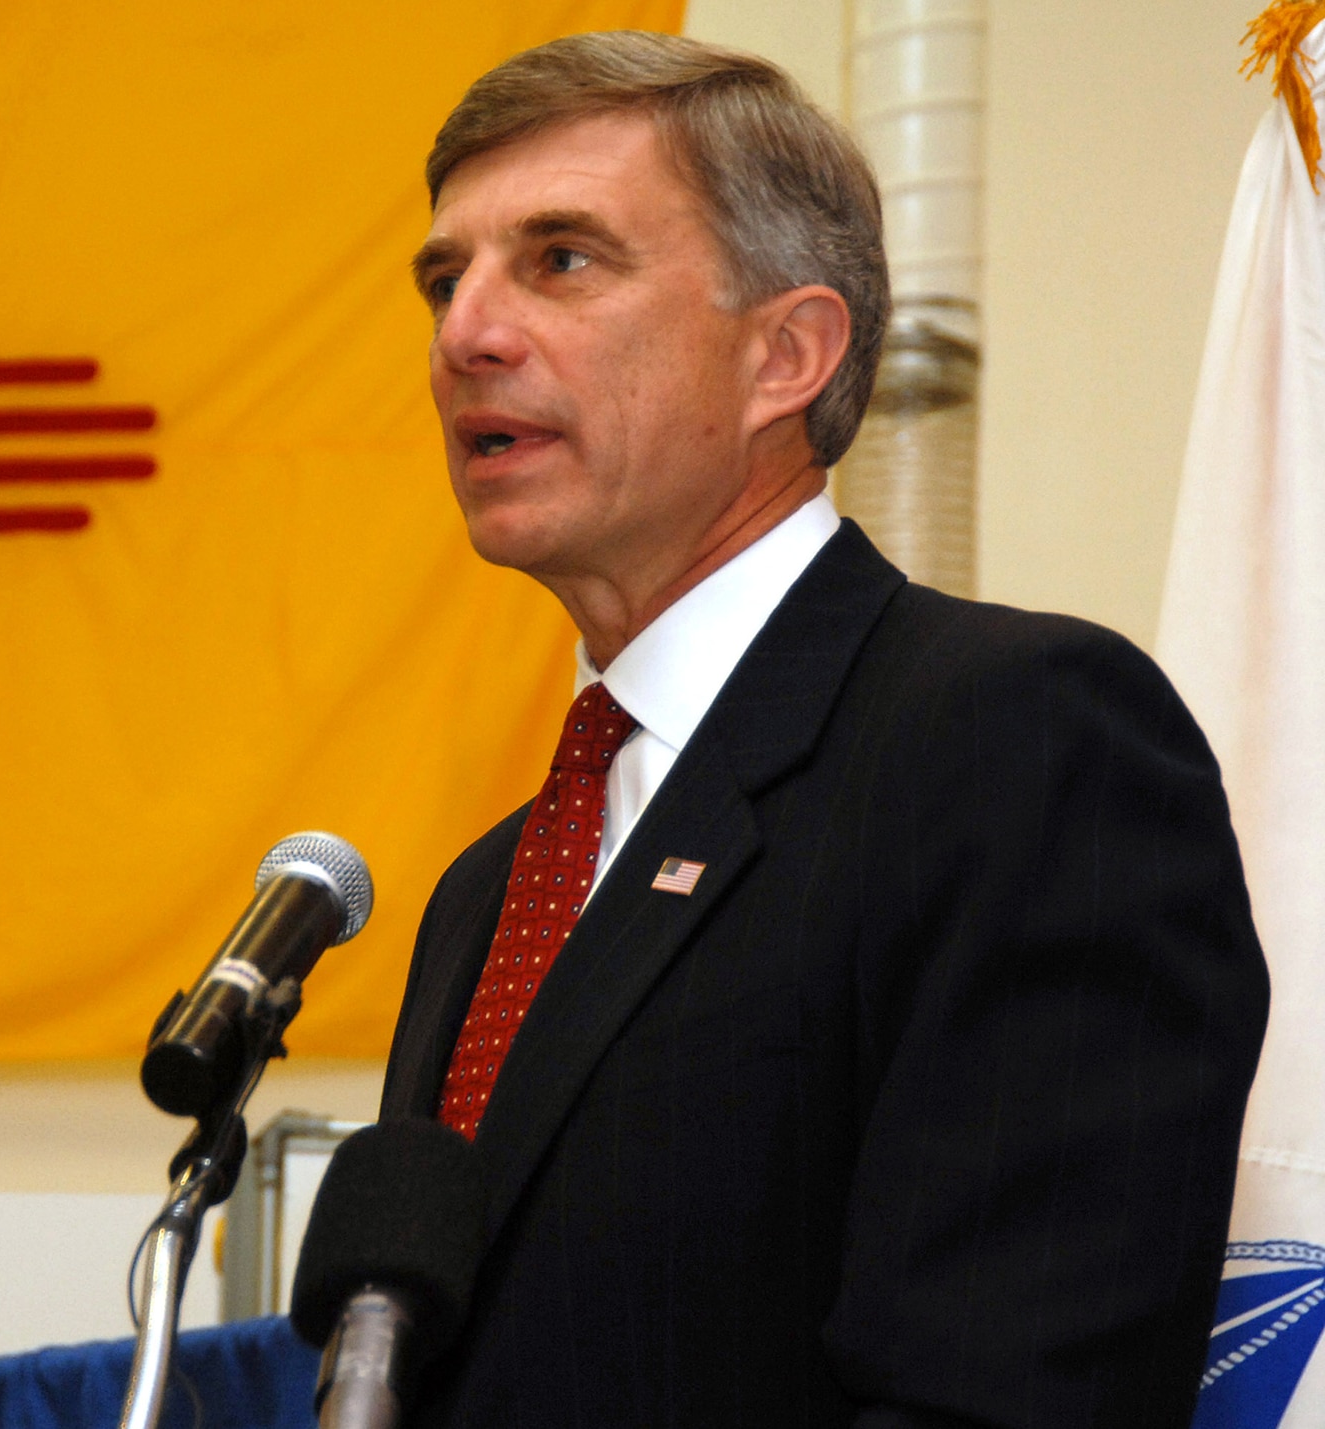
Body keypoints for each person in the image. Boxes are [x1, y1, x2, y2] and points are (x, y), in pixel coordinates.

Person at [377, 31, 1269, 1429]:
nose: (463, 335)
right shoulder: (485, 894)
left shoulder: (1019, 744)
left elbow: (1013, 1398)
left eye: (560, 259)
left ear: (785, 354)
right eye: (446, 277)